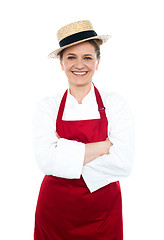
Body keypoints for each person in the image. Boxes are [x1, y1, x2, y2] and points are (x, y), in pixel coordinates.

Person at [33, 20, 135, 240]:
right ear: (61, 63)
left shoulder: (115, 104)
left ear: (97, 62)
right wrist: (103, 147)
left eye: (87, 57)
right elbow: (45, 160)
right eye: (71, 57)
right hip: (55, 212)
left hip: (103, 214)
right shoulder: (47, 106)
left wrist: (64, 154)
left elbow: (124, 164)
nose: (79, 65)